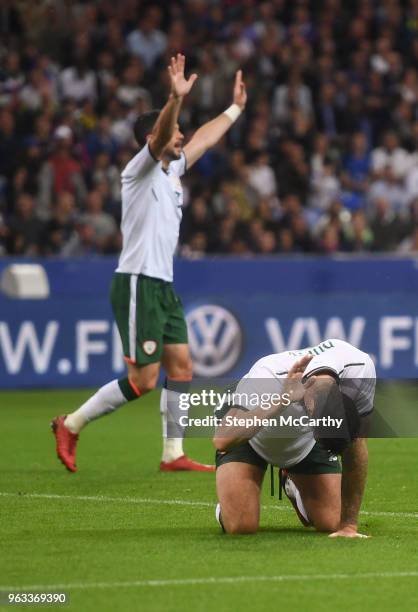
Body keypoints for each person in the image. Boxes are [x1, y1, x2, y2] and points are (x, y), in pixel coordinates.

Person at [52, 54, 247, 473]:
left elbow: (206, 138)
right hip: (137, 281)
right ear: (153, 138)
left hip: (163, 284)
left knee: (182, 367)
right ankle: (70, 424)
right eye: (175, 130)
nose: (181, 135)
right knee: (143, 380)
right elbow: (161, 138)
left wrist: (234, 109)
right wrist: (173, 99)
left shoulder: (174, 171)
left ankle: (172, 453)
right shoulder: (138, 171)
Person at [213, 339, 376, 537]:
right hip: (250, 431)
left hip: (303, 441)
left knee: (333, 522)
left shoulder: (359, 368)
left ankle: (291, 480)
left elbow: (357, 446)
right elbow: (223, 439)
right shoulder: (268, 375)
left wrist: (348, 526)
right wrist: (284, 398)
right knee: (241, 527)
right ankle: (228, 506)